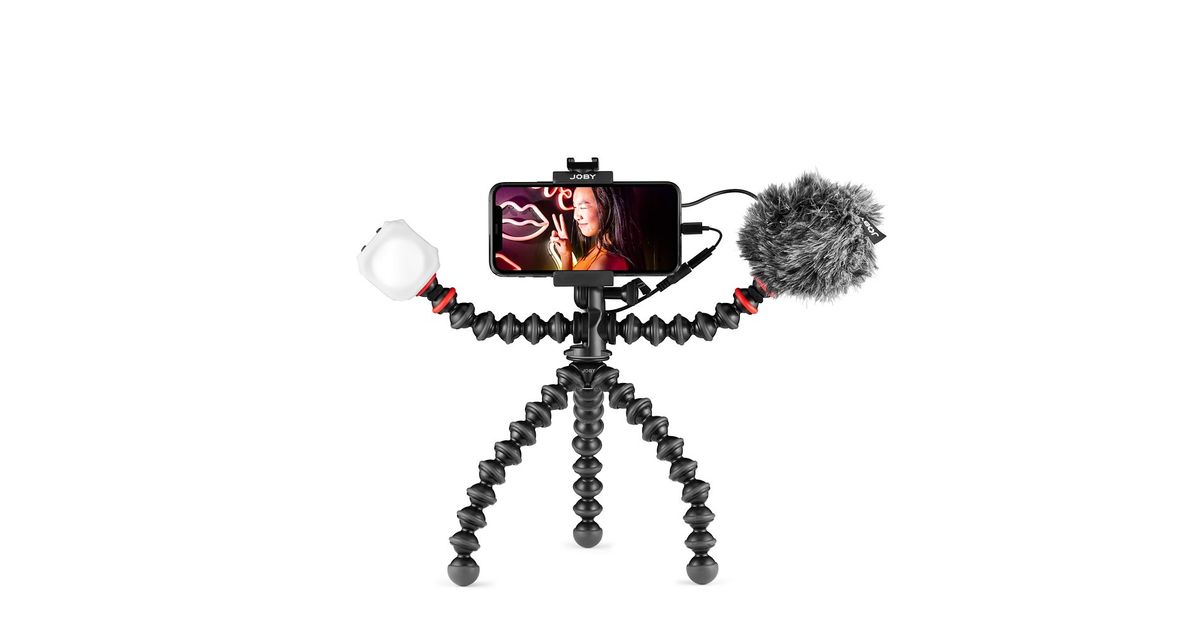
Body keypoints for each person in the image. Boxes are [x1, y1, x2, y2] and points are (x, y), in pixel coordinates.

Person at [548, 186, 640, 271]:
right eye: (575, 207)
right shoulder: (598, 250)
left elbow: (567, 284)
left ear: (608, 206)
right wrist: (565, 255)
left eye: (583, 207)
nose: (576, 216)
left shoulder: (604, 264)